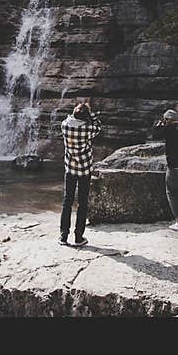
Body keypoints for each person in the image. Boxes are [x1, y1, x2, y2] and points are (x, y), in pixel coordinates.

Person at [59, 101, 102, 247]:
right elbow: (98, 128)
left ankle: (63, 236)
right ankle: (78, 237)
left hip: (70, 168)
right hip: (84, 169)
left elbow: (69, 117)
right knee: (82, 203)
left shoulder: (64, 125)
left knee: (67, 201)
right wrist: (94, 116)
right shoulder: (88, 129)